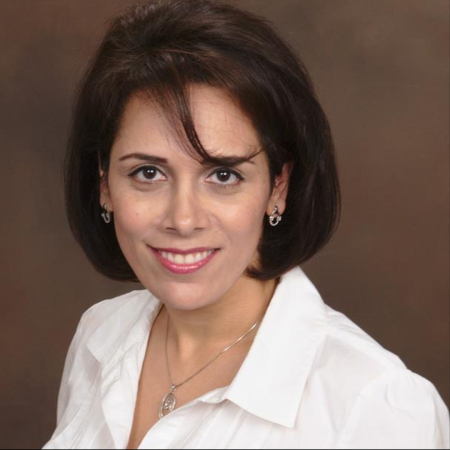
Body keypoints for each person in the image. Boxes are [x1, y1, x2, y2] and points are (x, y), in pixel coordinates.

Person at [43, 0, 449, 448]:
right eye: (148, 173)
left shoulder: (372, 406)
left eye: (223, 175)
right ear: (104, 182)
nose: (183, 219)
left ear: (278, 186)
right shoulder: (100, 335)